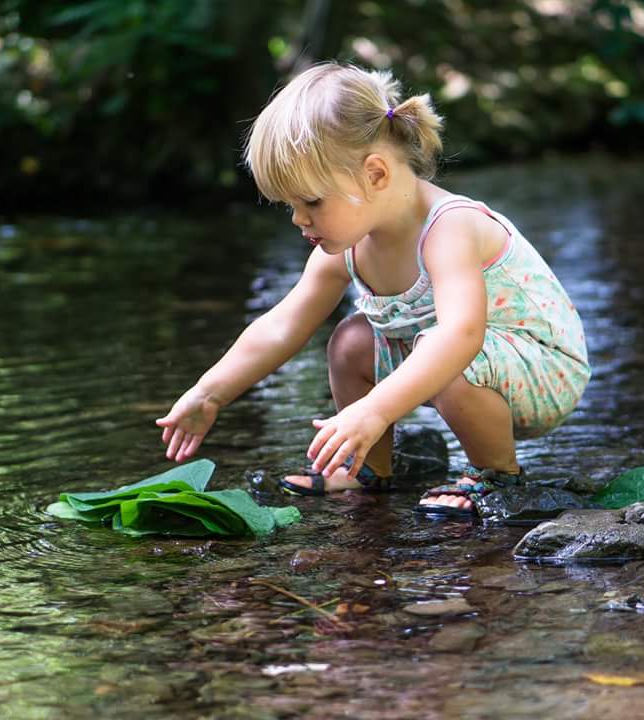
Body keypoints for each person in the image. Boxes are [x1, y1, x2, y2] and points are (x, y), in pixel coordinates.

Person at [156, 63, 590, 518]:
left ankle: (497, 478)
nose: (298, 220)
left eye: (312, 202)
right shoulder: (345, 245)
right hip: (459, 367)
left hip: (541, 372)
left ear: (376, 174)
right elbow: (282, 324)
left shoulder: (449, 228)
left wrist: (375, 410)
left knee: (445, 350)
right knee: (350, 341)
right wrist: (209, 393)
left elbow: (462, 335)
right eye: (290, 206)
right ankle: (367, 469)